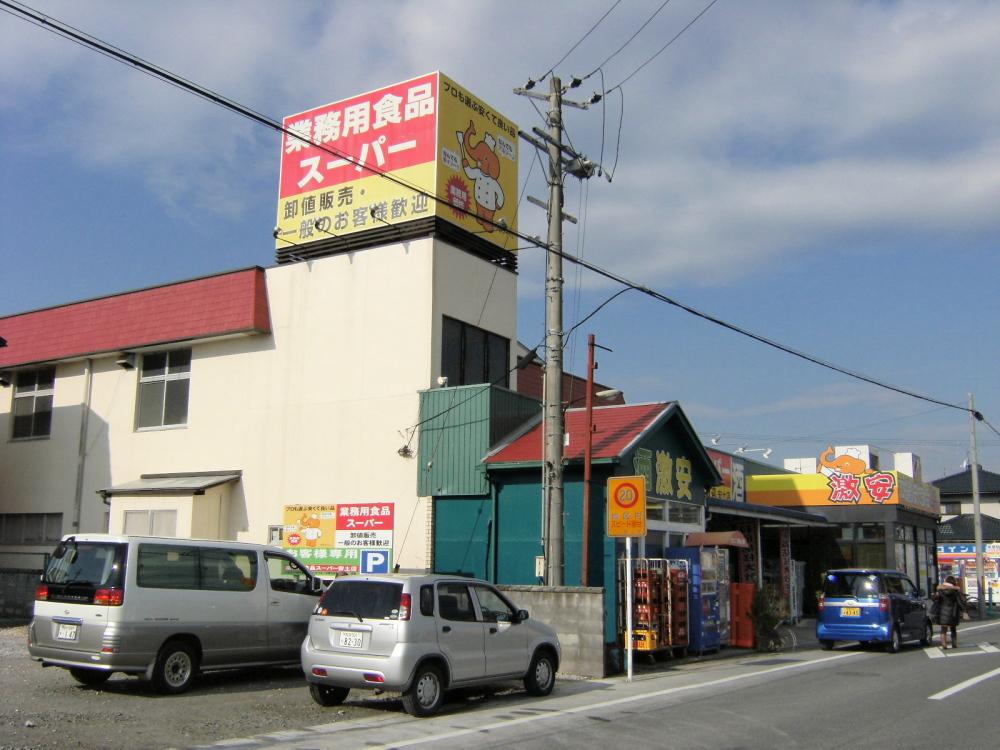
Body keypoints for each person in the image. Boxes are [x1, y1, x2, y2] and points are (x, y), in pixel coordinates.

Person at [932, 576, 968, 649]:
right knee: (953, 629)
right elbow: (959, 602)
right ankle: (954, 644)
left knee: (943, 629)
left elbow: (935, 599)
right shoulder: (955, 591)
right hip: (953, 613)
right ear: (953, 582)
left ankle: (944, 644)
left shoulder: (940, 591)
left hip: (942, 612)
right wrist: (964, 611)